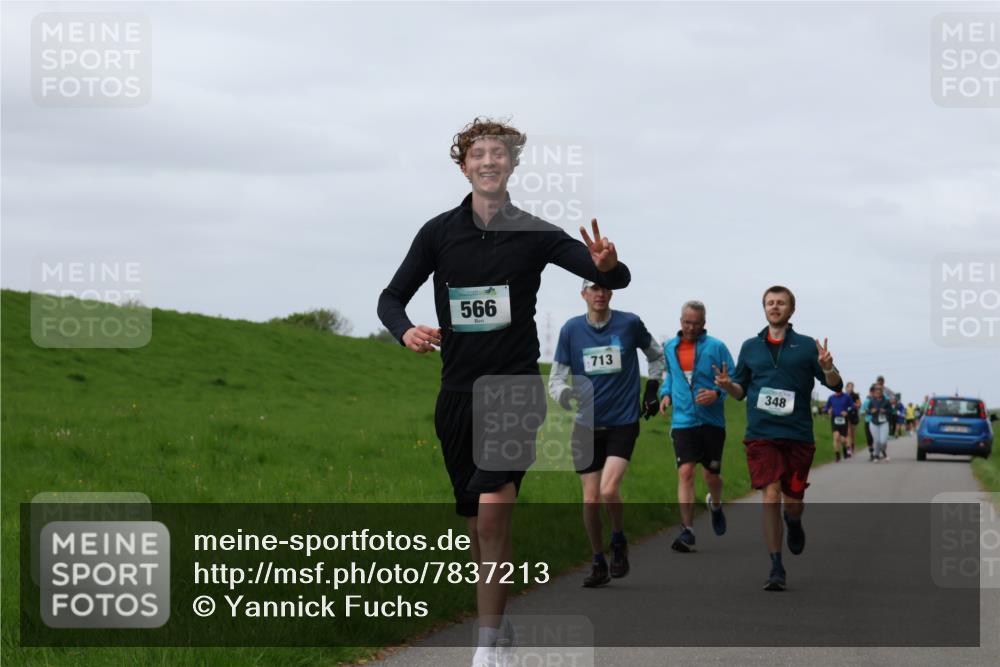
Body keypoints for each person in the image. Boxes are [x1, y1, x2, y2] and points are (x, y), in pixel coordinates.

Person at [377, 117, 631, 667]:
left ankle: (487, 647)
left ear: (513, 165)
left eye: (499, 153)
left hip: (514, 392)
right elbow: (390, 298)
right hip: (456, 395)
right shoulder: (437, 233)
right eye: (478, 153)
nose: (489, 160)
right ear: (464, 165)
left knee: (493, 519)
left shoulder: (536, 232)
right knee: (476, 526)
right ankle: (500, 621)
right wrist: (407, 331)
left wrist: (607, 267)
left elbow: (609, 274)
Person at [714, 285, 843, 591]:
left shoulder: (807, 347)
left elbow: (835, 385)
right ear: (764, 308)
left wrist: (828, 367)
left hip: (798, 435)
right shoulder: (750, 347)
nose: (775, 307)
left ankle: (794, 521)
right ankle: (776, 565)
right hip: (761, 435)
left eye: (781, 303)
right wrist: (726, 385)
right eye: (770, 303)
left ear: (791, 310)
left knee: (793, 502)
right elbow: (740, 391)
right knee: (770, 494)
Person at [548, 280, 664, 587]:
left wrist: (652, 387)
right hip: (586, 425)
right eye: (593, 288)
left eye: (604, 288)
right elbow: (556, 379)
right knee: (589, 501)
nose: (599, 294)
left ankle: (618, 540)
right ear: (583, 294)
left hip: (622, 422)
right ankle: (598, 560)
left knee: (608, 490)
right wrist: (564, 396)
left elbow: (657, 354)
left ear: (611, 293)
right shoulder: (571, 330)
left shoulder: (629, 324)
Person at [658, 300, 736, 553]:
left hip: (712, 421)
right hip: (683, 421)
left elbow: (732, 379)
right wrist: (665, 394)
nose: (690, 327)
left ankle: (715, 503)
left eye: (696, 323)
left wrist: (717, 393)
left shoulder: (716, 347)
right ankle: (687, 530)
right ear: (680, 321)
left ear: (704, 324)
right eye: (686, 322)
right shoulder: (670, 347)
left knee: (711, 475)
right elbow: (669, 375)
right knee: (686, 472)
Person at [824, 388, 853, 461]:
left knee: (843, 439)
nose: (836, 391)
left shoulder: (846, 397)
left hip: (844, 419)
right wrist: (828, 410)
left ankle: (845, 448)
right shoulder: (831, 397)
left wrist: (847, 411)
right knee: (836, 437)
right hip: (835, 419)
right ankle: (837, 455)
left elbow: (852, 406)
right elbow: (826, 408)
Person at [868, 386, 892, 461]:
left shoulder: (886, 401)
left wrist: (884, 411)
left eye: (879, 392)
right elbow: (868, 411)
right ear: (874, 393)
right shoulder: (871, 401)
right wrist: (872, 411)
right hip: (874, 423)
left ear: (882, 393)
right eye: (876, 392)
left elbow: (891, 411)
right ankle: (876, 455)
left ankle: (883, 451)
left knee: (883, 441)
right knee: (877, 441)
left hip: (883, 422)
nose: (878, 394)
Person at [861, 384, 877, 461]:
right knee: (869, 438)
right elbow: (861, 411)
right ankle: (872, 454)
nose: (873, 393)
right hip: (868, 421)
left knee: (876, 438)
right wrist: (865, 412)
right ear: (870, 392)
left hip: (877, 422)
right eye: (872, 392)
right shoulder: (866, 401)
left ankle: (876, 453)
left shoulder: (878, 401)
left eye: (875, 392)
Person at [845, 381, 861, 455]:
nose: (850, 388)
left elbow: (859, 404)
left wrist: (853, 405)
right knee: (848, 432)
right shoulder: (844, 395)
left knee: (852, 434)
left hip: (853, 415)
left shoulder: (855, 395)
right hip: (845, 415)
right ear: (846, 387)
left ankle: (852, 446)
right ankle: (848, 449)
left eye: (852, 387)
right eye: (849, 387)